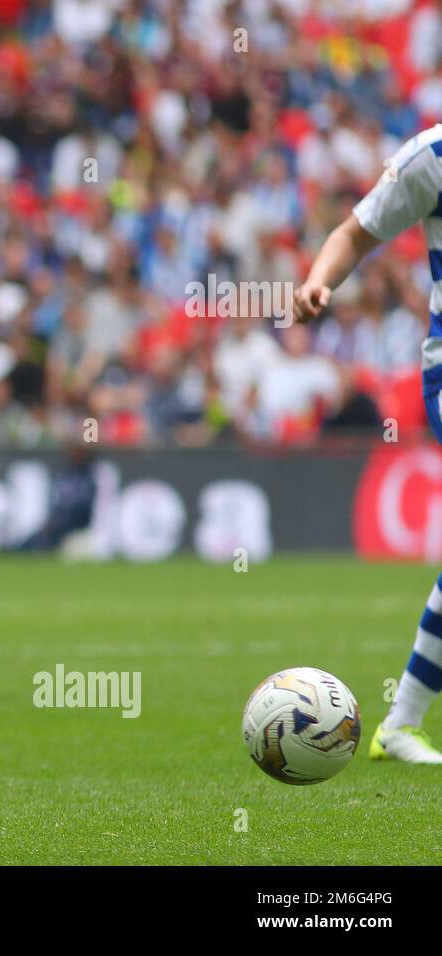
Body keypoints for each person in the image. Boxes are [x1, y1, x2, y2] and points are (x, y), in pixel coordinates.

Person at [294, 123, 442, 763]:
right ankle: (401, 722)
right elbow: (354, 231)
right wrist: (317, 281)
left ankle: (400, 722)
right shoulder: (431, 158)